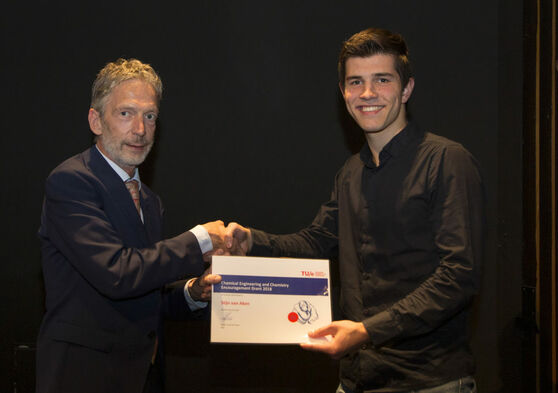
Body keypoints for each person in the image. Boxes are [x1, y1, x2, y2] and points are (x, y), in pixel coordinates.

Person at [226, 28, 484, 392]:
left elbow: (459, 277)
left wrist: (367, 331)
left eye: (382, 80)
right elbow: (317, 241)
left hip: (427, 382)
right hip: (356, 379)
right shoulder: (350, 173)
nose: (367, 93)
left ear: (406, 89)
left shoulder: (447, 161)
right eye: (355, 82)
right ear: (344, 93)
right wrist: (251, 241)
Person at [37, 58, 224, 393]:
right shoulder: (71, 181)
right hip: (84, 378)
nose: (140, 129)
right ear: (96, 120)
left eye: (149, 116)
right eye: (126, 113)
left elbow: (145, 294)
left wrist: (191, 293)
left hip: (142, 377)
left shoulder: (150, 201)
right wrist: (198, 242)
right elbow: (117, 273)